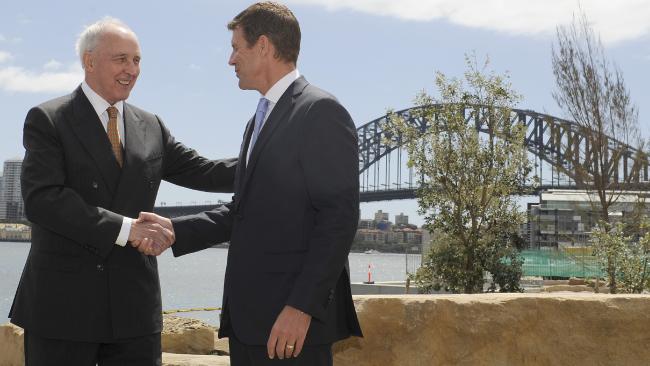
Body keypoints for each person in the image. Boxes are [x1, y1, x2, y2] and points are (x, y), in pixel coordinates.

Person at [138, 2, 362, 365]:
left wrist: (301, 307)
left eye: (235, 48)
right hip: (250, 324)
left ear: (263, 46)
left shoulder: (319, 112)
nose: (230, 60)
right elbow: (246, 210)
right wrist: (177, 229)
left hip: (290, 329)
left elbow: (338, 219)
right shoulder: (259, 119)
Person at [9, 17, 236, 365]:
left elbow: (205, 171)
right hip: (63, 310)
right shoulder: (48, 118)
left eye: (137, 60)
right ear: (90, 61)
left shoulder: (151, 125)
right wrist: (128, 229)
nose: (132, 69)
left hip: (134, 311)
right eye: (121, 59)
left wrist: (269, 159)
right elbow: (43, 200)